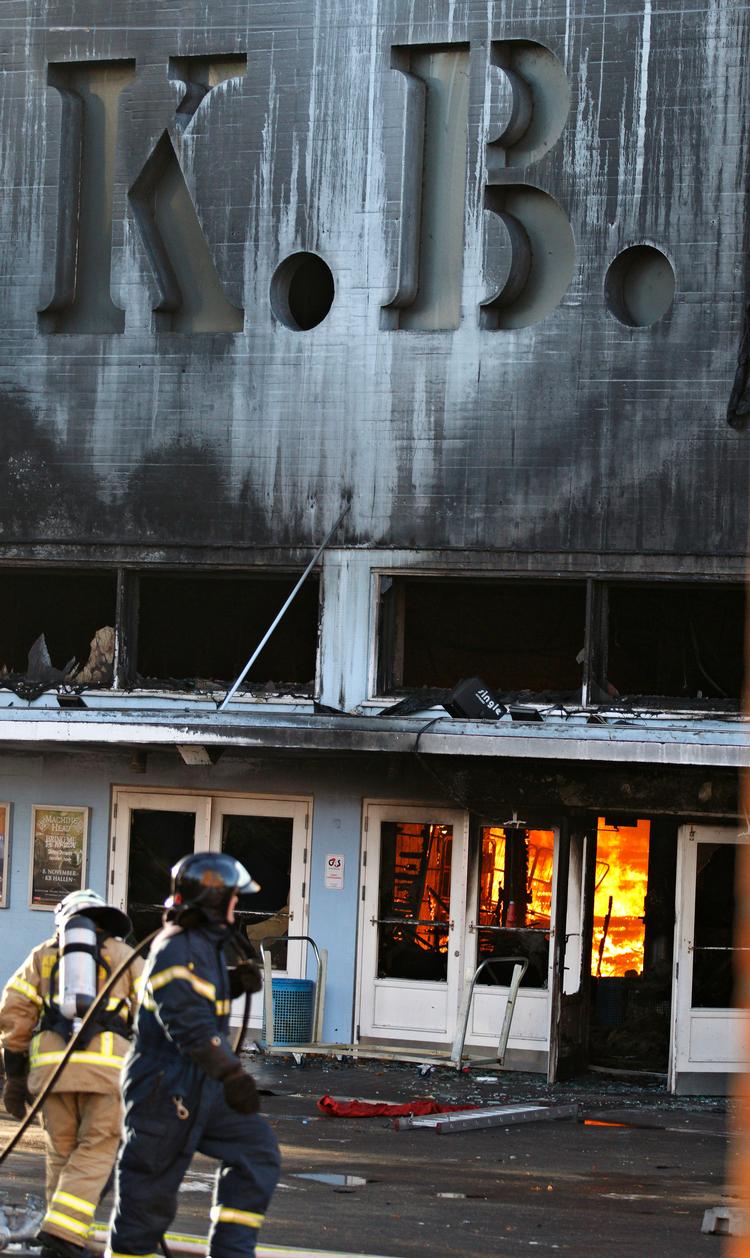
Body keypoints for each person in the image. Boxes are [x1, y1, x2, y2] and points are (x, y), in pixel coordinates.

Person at [106, 852, 280, 1258]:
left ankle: (232, 1252)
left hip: (199, 1085)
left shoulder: (204, 947)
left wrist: (233, 983)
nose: (238, 905)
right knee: (146, 1201)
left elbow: (197, 1001)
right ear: (215, 900)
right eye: (234, 898)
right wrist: (233, 1075)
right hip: (163, 1089)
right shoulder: (176, 947)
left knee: (256, 1151)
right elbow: (186, 1022)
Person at [0, 889, 142, 1258]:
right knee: (98, 1148)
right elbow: (157, 1011)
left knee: (61, 1152)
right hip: (107, 1073)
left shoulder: (44, 955)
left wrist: (14, 1074)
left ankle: (59, 1242)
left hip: (53, 1073)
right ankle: (64, 1235)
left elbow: (14, 1009)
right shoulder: (123, 955)